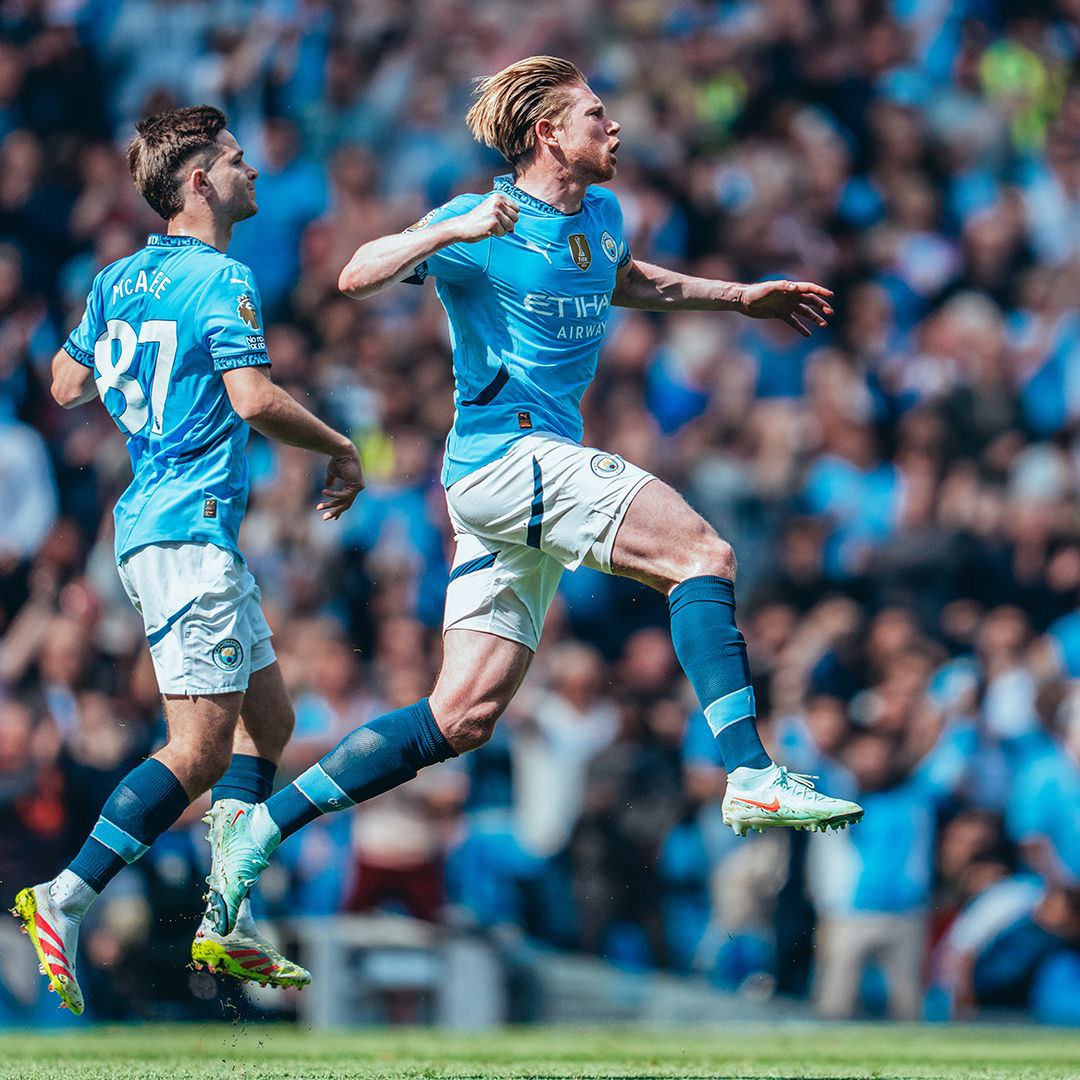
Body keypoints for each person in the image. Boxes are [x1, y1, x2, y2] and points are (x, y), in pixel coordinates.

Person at [206, 56, 862, 938]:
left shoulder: (602, 214)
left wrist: (739, 298)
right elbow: (355, 274)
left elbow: (626, 280)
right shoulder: (483, 219)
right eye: (596, 115)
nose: (614, 127)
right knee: (701, 555)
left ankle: (260, 828)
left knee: (462, 716)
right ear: (549, 133)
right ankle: (748, 772)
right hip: (505, 456)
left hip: (515, 477)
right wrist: (451, 229)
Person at [12, 105, 365, 1015]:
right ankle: (65, 897)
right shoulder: (225, 277)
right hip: (184, 532)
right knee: (199, 749)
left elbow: (64, 382)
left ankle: (226, 919)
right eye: (237, 160)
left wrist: (138, 381)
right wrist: (340, 446)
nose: (254, 170)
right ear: (199, 181)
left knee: (269, 721)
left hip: (169, 530)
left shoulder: (115, 279)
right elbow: (253, 400)